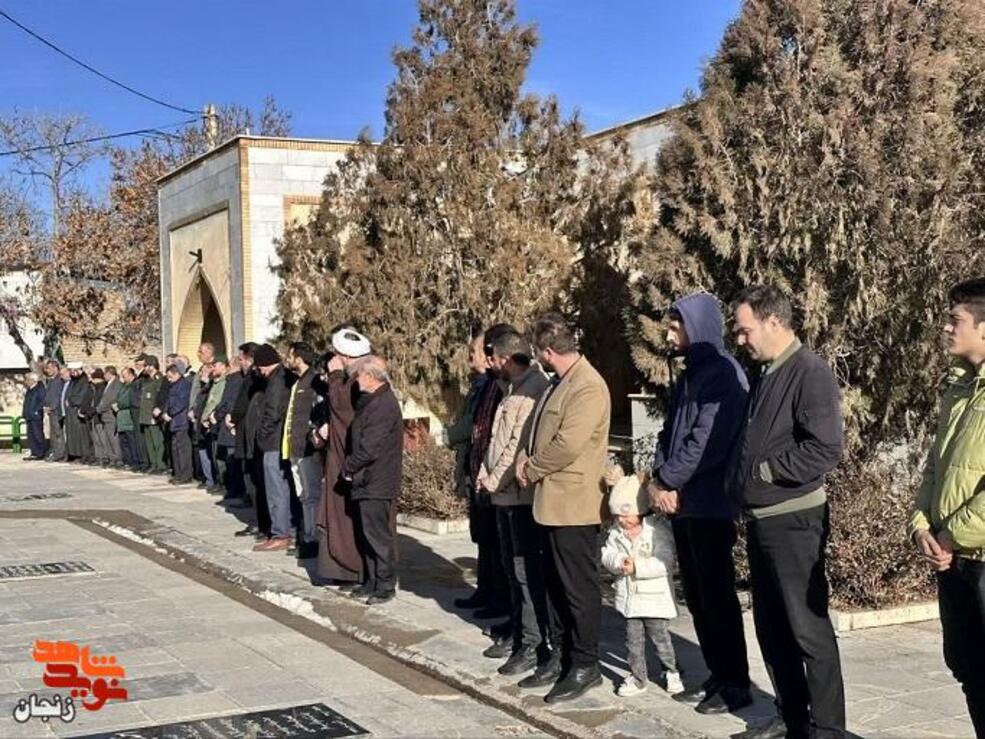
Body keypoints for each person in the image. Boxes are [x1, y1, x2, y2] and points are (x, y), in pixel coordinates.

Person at [731, 285, 845, 739]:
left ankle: (828, 729)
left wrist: (766, 472)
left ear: (774, 322)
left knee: (807, 630)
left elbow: (825, 448)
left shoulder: (809, 372)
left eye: (745, 330)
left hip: (794, 521)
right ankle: (792, 718)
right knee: (772, 628)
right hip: (763, 520)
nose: (740, 339)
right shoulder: (767, 372)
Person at [649, 293, 752, 714]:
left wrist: (668, 479)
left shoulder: (724, 375)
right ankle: (717, 674)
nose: (668, 335)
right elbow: (668, 432)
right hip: (683, 503)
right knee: (697, 597)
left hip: (710, 503)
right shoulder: (690, 373)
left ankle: (736, 684)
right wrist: (659, 477)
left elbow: (706, 443)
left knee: (717, 598)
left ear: (697, 327)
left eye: (676, 327)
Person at [516, 313, 611, 703]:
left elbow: (568, 444)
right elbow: (537, 431)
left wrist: (532, 468)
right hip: (549, 503)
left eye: (537, 352)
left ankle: (586, 664)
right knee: (555, 585)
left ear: (547, 351)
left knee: (577, 589)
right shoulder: (559, 383)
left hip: (574, 506)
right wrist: (524, 458)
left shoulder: (587, 386)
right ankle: (561, 655)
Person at [909, 277, 985, 738]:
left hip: (977, 557)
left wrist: (950, 535)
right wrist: (922, 525)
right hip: (952, 561)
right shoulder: (958, 389)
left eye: (955, 319)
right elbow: (935, 470)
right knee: (969, 669)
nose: (946, 327)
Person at [477, 330, 551, 676]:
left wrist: (494, 479)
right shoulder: (511, 388)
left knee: (524, 573)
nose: (490, 364)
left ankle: (532, 644)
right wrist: (484, 471)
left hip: (520, 498)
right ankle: (518, 633)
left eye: (493, 358)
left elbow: (516, 447)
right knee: (511, 570)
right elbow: (496, 440)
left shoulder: (533, 389)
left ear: (506, 359)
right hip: (503, 496)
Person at [602, 471, 683, 698]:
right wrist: (619, 562)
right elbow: (607, 554)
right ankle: (638, 677)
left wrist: (638, 566)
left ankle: (671, 670)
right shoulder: (616, 533)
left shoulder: (656, 531)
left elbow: (665, 562)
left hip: (654, 599)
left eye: (625, 515)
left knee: (661, 639)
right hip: (630, 599)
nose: (621, 520)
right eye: (617, 515)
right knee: (633, 643)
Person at [462, 324, 516, 630]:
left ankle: (500, 598)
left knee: (498, 543)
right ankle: (485, 591)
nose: (476, 357)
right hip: (479, 471)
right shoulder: (485, 386)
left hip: (496, 477)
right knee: (484, 537)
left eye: (480, 351)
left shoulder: (503, 386)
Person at [315, 327, 372, 586]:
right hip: (338, 455)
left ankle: (355, 568)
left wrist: (336, 374)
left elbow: (341, 406)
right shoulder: (347, 378)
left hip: (353, 460)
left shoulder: (359, 379)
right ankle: (341, 569)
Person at [343, 355, 403, 605]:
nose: (356, 381)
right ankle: (371, 580)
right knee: (367, 534)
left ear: (370, 376)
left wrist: (349, 466)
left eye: (358, 376)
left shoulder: (383, 404)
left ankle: (385, 584)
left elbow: (370, 447)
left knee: (378, 536)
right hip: (366, 480)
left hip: (376, 479)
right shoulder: (372, 401)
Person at [284, 341, 324, 560]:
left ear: (298, 358)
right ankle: (307, 535)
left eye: (290, 356)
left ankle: (313, 539)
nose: (288, 359)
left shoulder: (314, 381)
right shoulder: (298, 381)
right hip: (294, 446)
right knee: (302, 494)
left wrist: (314, 433)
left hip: (307, 448)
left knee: (311, 495)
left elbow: (319, 411)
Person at [253, 343, 295, 552]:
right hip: (280, 440)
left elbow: (273, 411)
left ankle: (281, 533)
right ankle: (287, 530)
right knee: (283, 488)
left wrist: (261, 436)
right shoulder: (283, 376)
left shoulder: (277, 380)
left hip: (273, 442)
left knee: (276, 489)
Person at [213, 356, 248, 509]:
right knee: (229, 460)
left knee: (233, 460)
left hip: (230, 425)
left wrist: (219, 414)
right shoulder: (233, 380)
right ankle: (233, 489)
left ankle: (236, 490)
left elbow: (229, 401)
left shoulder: (236, 381)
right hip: (227, 423)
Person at [162, 364, 194, 484]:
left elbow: (181, 402)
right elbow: (168, 401)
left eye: (170, 377)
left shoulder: (184, 385)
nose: (169, 379)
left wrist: (170, 413)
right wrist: (165, 412)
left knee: (183, 450)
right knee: (175, 449)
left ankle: (185, 475)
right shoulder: (174, 385)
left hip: (181, 421)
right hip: (174, 422)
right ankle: (178, 473)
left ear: (177, 374)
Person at [139, 356, 168, 474]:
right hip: (145, 415)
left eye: (146, 366)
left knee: (157, 442)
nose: (144, 368)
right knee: (149, 442)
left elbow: (160, 396)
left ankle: (160, 464)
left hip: (154, 415)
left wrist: (156, 413)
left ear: (152, 366)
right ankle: (153, 463)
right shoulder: (147, 380)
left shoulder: (159, 379)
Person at [64, 362, 94, 463]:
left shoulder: (84, 381)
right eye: (71, 371)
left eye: (73, 371)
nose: (72, 373)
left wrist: (71, 401)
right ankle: (75, 454)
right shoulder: (73, 381)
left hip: (78, 410)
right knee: (73, 434)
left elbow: (81, 396)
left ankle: (84, 455)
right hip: (71, 411)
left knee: (82, 434)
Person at [95, 366, 122, 468]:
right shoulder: (108, 384)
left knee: (113, 438)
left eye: (105, 374)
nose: (104, 376)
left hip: (110, 414)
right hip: (105, 415)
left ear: (110, 374)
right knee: (108, 438)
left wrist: (100, 408)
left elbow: (111, 399)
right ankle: (112, 458)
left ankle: (117, 458)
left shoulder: (116, 384)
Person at [115, 367, 139, 470]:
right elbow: (118, 397)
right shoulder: (123, 387)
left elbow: (125, 400)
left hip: (128, 418)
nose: (123, 379)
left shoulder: (133, 385)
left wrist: (118, 404)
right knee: (123, 442)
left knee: (131, 442)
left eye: (124, 376)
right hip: (122, 419)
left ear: (130, 375)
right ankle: (127, 461)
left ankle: (134, 461)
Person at [42, 360, 65, 462]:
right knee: (53, 433)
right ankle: (55, 452)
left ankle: (59, 454)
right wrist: (46, 406)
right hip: (50, 411)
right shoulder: (51, 380)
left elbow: (58, 395)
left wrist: (52, 407)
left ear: (55, 368)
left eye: (49, 368)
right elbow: (49, 395)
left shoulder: (59, 380)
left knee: (58, 433)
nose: (48, 371)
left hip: (56, 411)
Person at [21, 372, 47, 460]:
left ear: (33, 380)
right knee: (31, 435)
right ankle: (34, 452)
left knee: (37, 434)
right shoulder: (29, 389)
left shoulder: (39, 388)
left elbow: (42, 401)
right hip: (29, 416)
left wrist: (37, 411)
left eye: (27, 379)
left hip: (36, 416)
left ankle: (40, 453)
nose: (26, 381)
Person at [84, 368, 107, 465]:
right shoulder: (94, 388)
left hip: (99, 416)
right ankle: (99, 457)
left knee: (102, 438)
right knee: (96, 438)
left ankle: (105, 457)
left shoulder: (101, 388)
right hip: (93, 416)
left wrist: (93, 410)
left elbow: (98, 402)